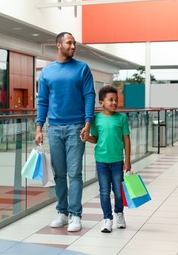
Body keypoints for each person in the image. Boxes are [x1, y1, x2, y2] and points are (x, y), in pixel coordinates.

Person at [35, 32, 96, 232]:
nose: (73, 46)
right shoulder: (46, 72)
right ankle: (62, 212)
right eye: (69, 43)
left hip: (76, 127)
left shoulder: (82, 68)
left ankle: (76, 215)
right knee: (59, 174)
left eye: (74, 43)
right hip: (54, 128)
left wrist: (88, 124)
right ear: (58, 45)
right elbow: (42, 101)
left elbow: (89, 96)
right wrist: (39, 128)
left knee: (74, 173)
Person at [82, 85, 131, 233]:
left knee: (117, 191)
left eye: (116, 100)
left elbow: (127, 140)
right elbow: (95, 139)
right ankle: (107, 219)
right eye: (111, 100)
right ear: (101, 102)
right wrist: (87, 138)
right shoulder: (96, 119)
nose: (114, 103)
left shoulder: (122, 118)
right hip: (101, 161)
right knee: (104, 191)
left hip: (117, 161)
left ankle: (119, 214)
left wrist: (127, 161)